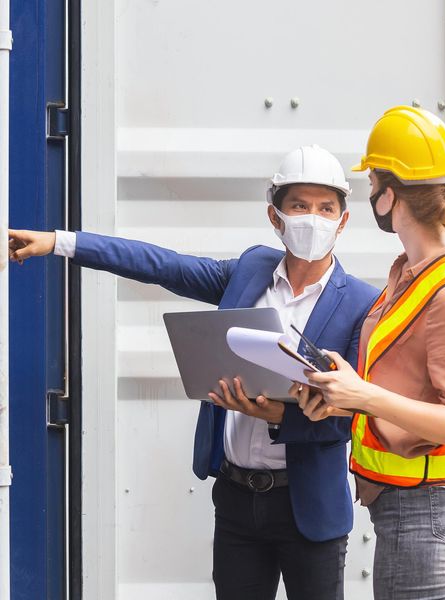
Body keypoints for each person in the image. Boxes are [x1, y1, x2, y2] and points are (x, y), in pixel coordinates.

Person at [8, 144, 380, 600]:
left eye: (326, 208)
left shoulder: (362, 303)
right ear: (275, 217)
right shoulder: (250, 270)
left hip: (310, 509)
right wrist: (60, 242)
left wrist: (278, 417)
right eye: (299, 206)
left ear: (343, 221)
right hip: (238, 501)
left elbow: (352, 418)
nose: (312, 219)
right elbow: (162, 265)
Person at [291, 108, 445, 600]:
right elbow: (402, 383)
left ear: (389, 195)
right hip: (406, 513)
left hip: (426, 516)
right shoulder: (408, 275)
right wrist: (342, 392)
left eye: (372, 185)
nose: (370, 197)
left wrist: (363, 394)